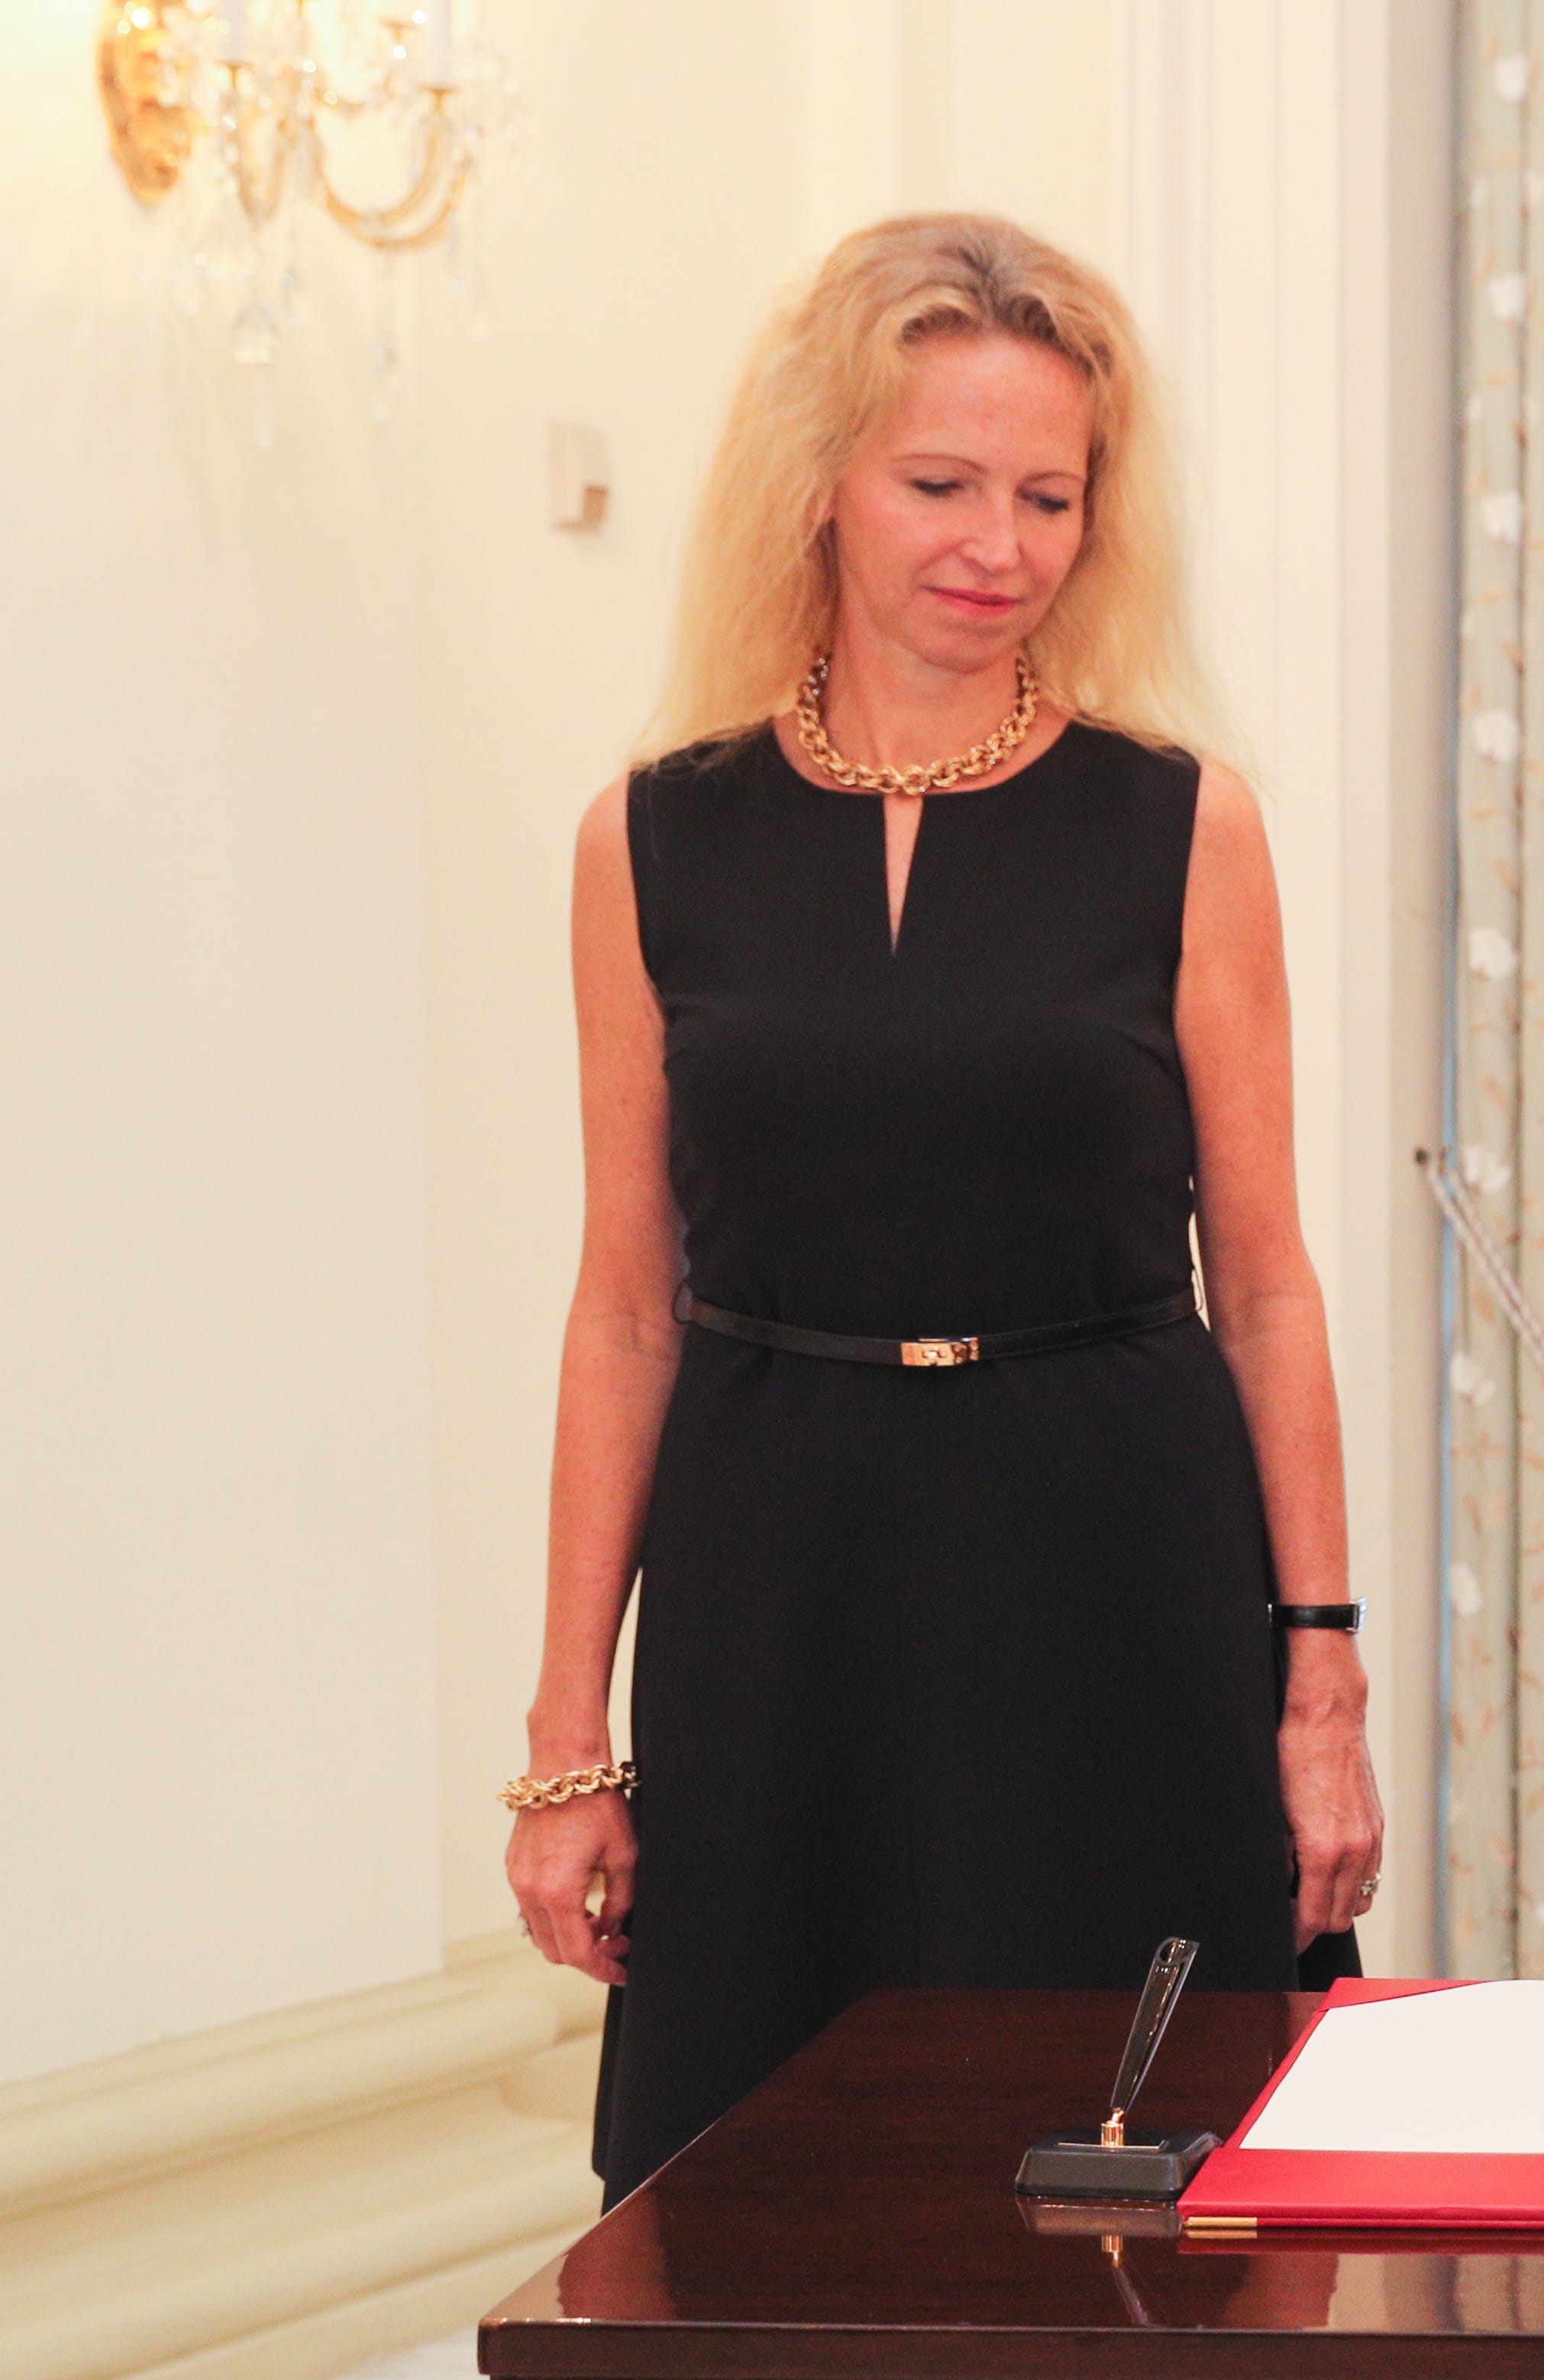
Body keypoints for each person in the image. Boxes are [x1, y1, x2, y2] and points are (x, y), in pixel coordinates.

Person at [504, 215, 1382, 2201]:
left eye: (1047, 494)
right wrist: (569, 1741)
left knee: (1139, 2162)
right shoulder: (649, 836)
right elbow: (624, 1309)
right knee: (753, 2186)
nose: (998, 541)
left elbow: (1261, 1279)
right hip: (774, 1568)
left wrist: (1316, 1674)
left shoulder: (1183, 821)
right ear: (818, 480)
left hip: (1113, 1558)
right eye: (939, 483)